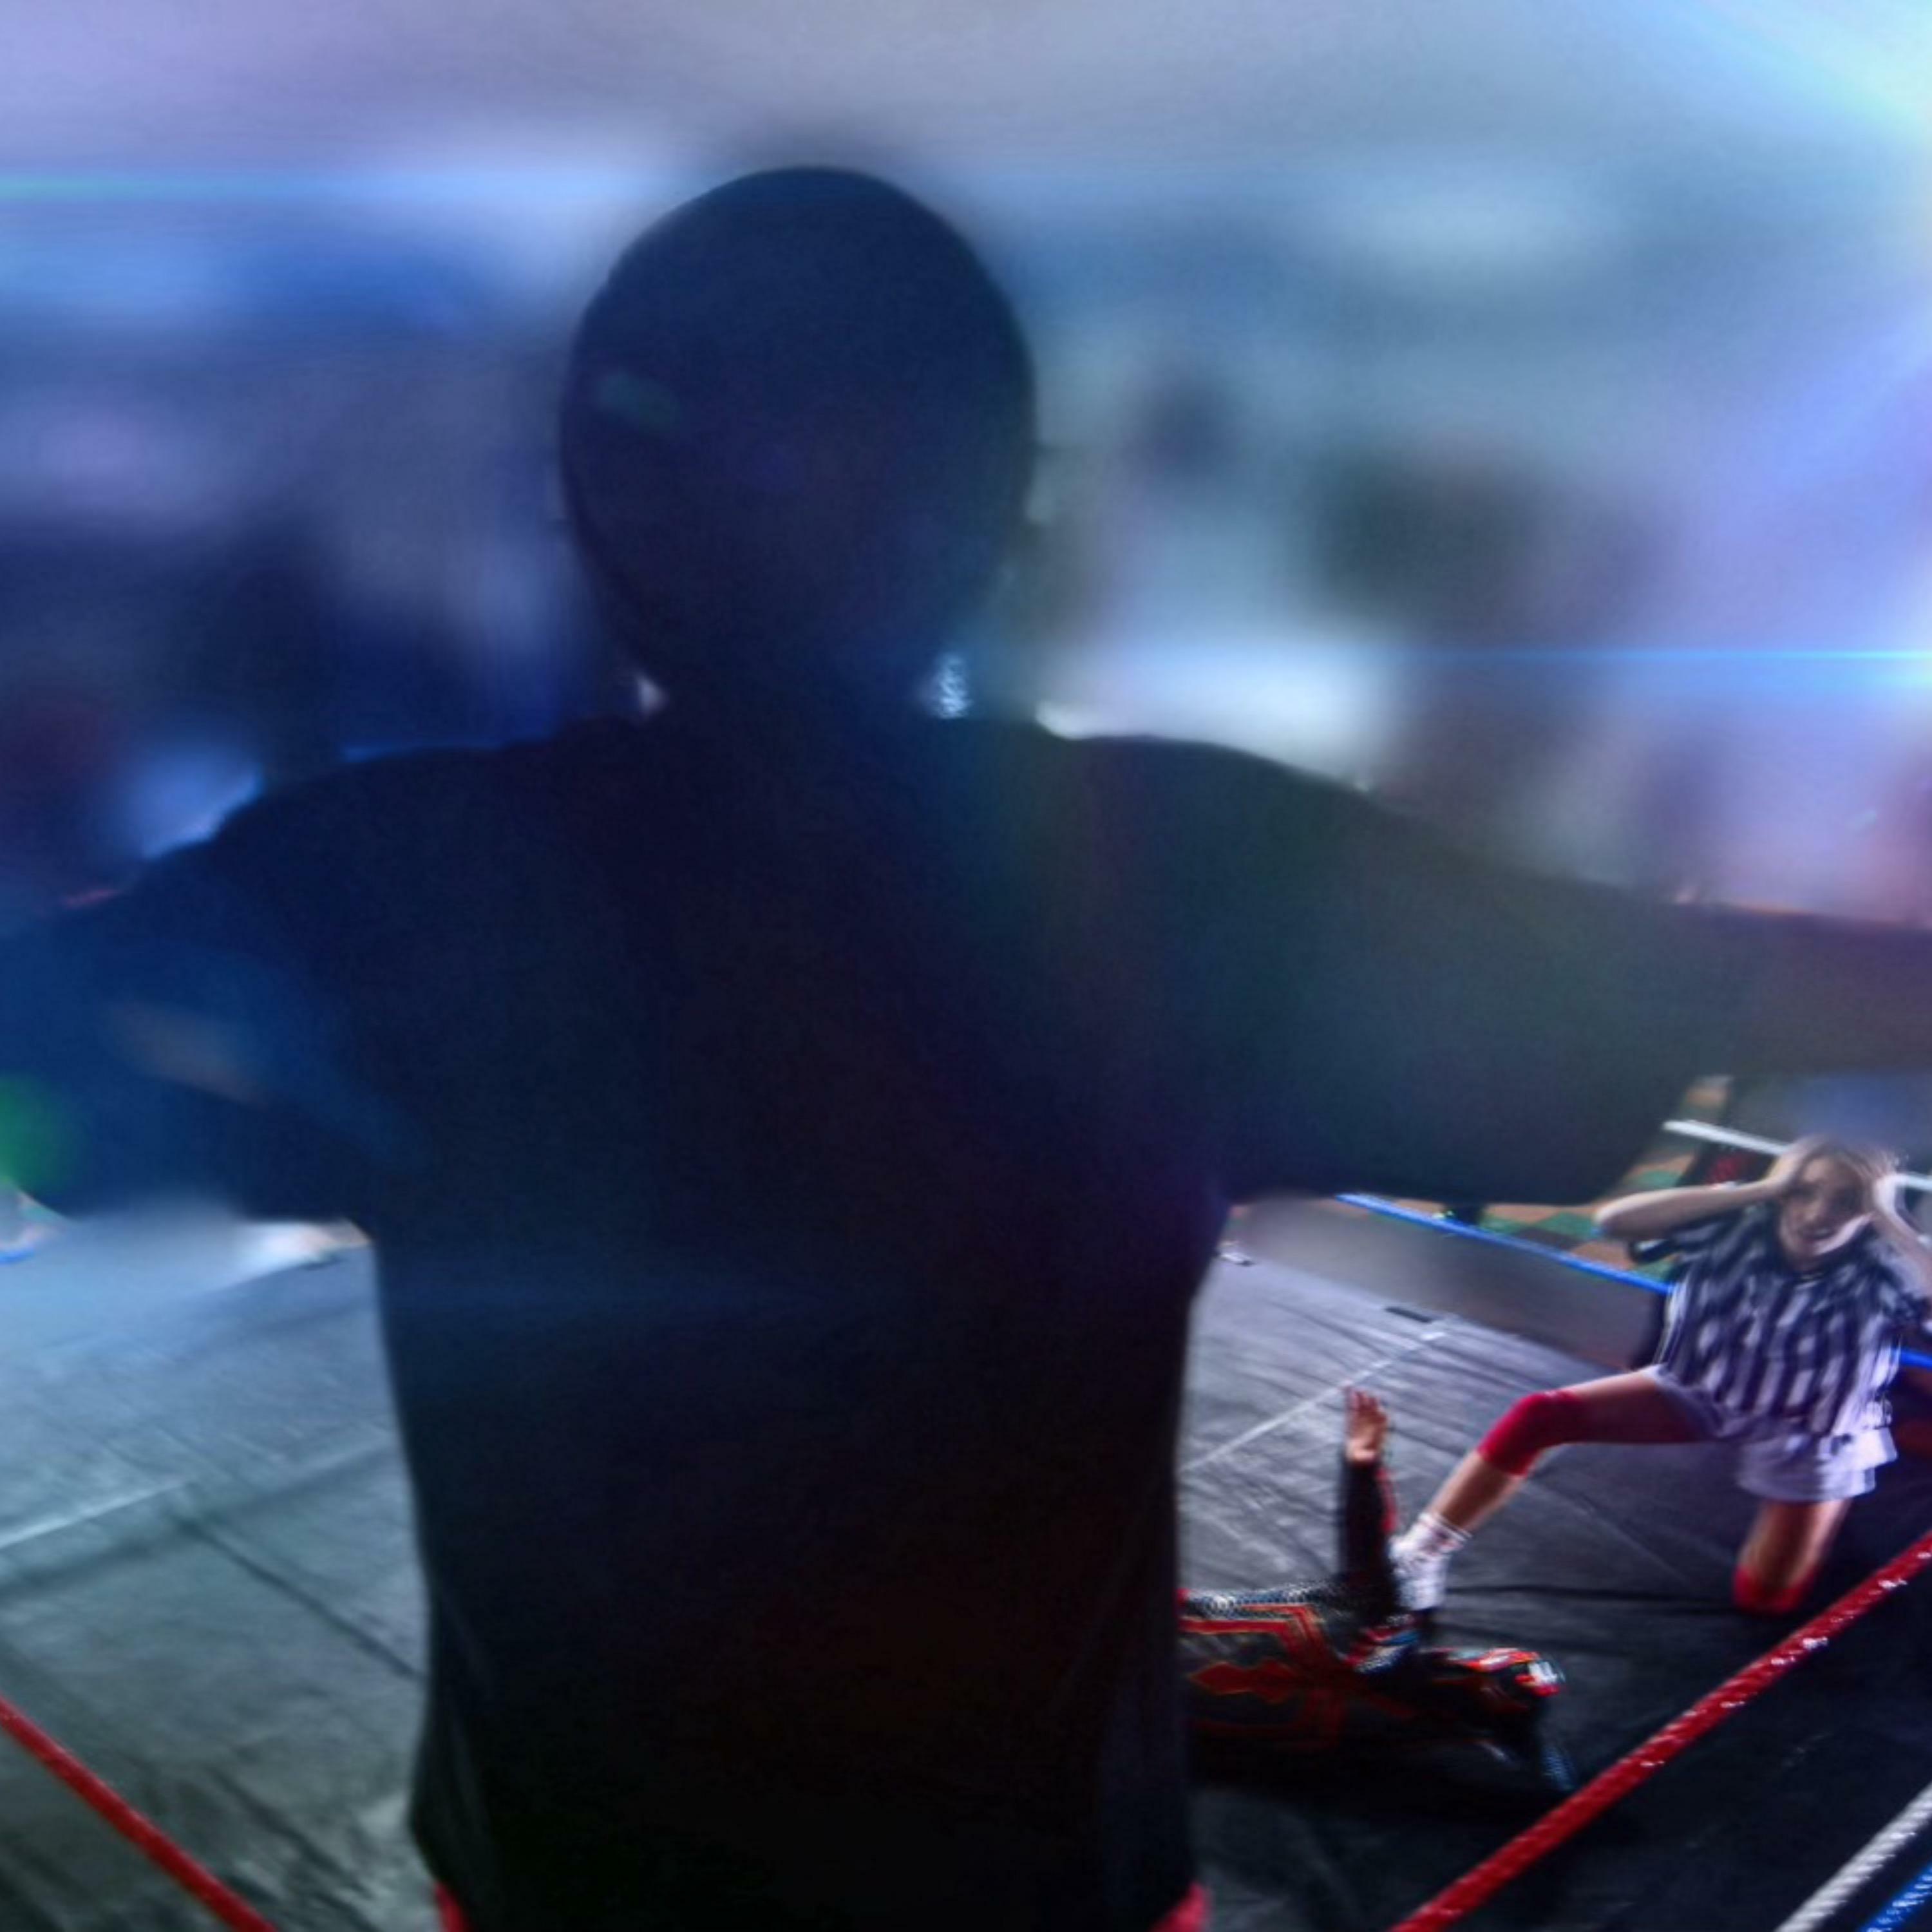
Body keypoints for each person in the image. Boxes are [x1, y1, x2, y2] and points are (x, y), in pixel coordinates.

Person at [7, 168, 1932, 1929]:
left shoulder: (395, 876)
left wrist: (259, 1117)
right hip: (1027, 1877)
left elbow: (54, 1101)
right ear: (1001, 518)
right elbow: (1722, 989)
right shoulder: (1179, 872)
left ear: (592, 516)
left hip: (578, 1869)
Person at [1394, 1138, 1932, 1616]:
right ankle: (1419, 1553)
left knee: (1766, 1601)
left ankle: (1827, 1534)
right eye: (1804, 1192)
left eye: (1847, 1202)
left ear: (1868, 1212)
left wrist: (1889, 1214)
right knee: (1540, 1415)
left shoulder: (1886, 1264)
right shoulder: (1733, 1225)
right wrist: (1763, 1188)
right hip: (1700, 1389)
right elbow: (1614, 1221)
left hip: (1810, 1431)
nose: (1818, 1215)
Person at [1179, 1391, 1569, 1790]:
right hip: (1174, 1691)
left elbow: (1367, 1561)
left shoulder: (1384, 1660)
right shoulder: (1405, 1729)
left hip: (1169, 1661)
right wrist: (1364, 1471)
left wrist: (1363, 1471)